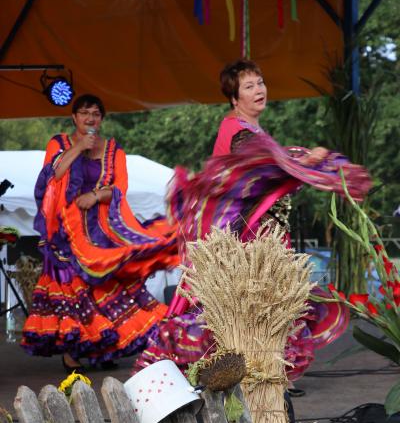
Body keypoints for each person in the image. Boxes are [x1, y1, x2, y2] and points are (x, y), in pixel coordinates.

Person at [134, 59, 372, 380]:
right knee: (248, 313)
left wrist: (300, 161)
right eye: (249, 86)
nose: (259, 89)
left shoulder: (253, 130)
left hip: (266, 237)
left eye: (260, 83)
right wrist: (305, 160)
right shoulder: (237, 131)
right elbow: (261, 162)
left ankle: (263, 381)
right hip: (248, 241)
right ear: (235, 99)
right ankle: (243, 382)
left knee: (268, 316)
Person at [21, 94, 178, 371]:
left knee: (104, 288)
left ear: (102, 119)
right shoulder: (59, 143)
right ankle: (72, 353)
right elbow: (52, 176)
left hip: (102, 231)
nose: (90, 118)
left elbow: (119, 189)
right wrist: (79, 147)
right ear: (74, 117)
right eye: (84, 113)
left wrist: (94, 196)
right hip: (66, 234)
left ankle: (104, 350)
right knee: (75, 292)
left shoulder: (113, 150)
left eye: (95, 114)